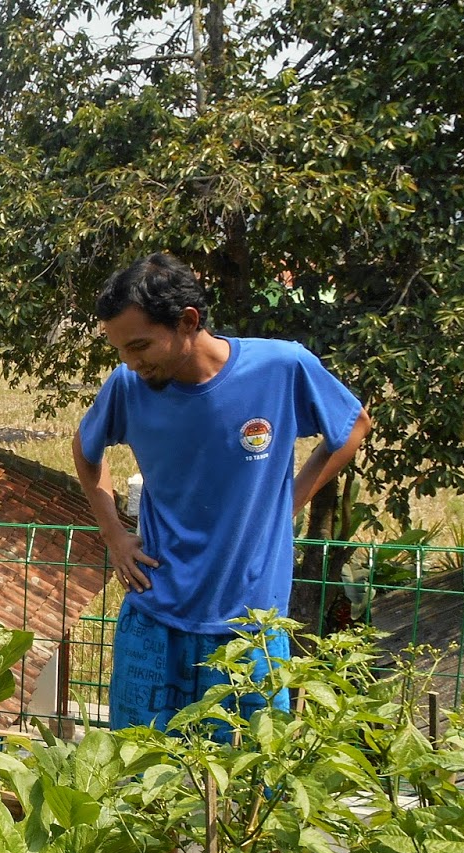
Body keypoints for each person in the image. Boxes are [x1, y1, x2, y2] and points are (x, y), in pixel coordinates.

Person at [72, 253, 373, 731]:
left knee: (250, 786)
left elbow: (352, 426)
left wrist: (288, 502)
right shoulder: (128, 385)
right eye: (121, 351)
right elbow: (85, 453)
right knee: (133, 775)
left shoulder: (281, 367)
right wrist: (114, 536)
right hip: (154, 614)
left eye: (141, 345)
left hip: (250, 623)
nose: (131, 362)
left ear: (188, 321)